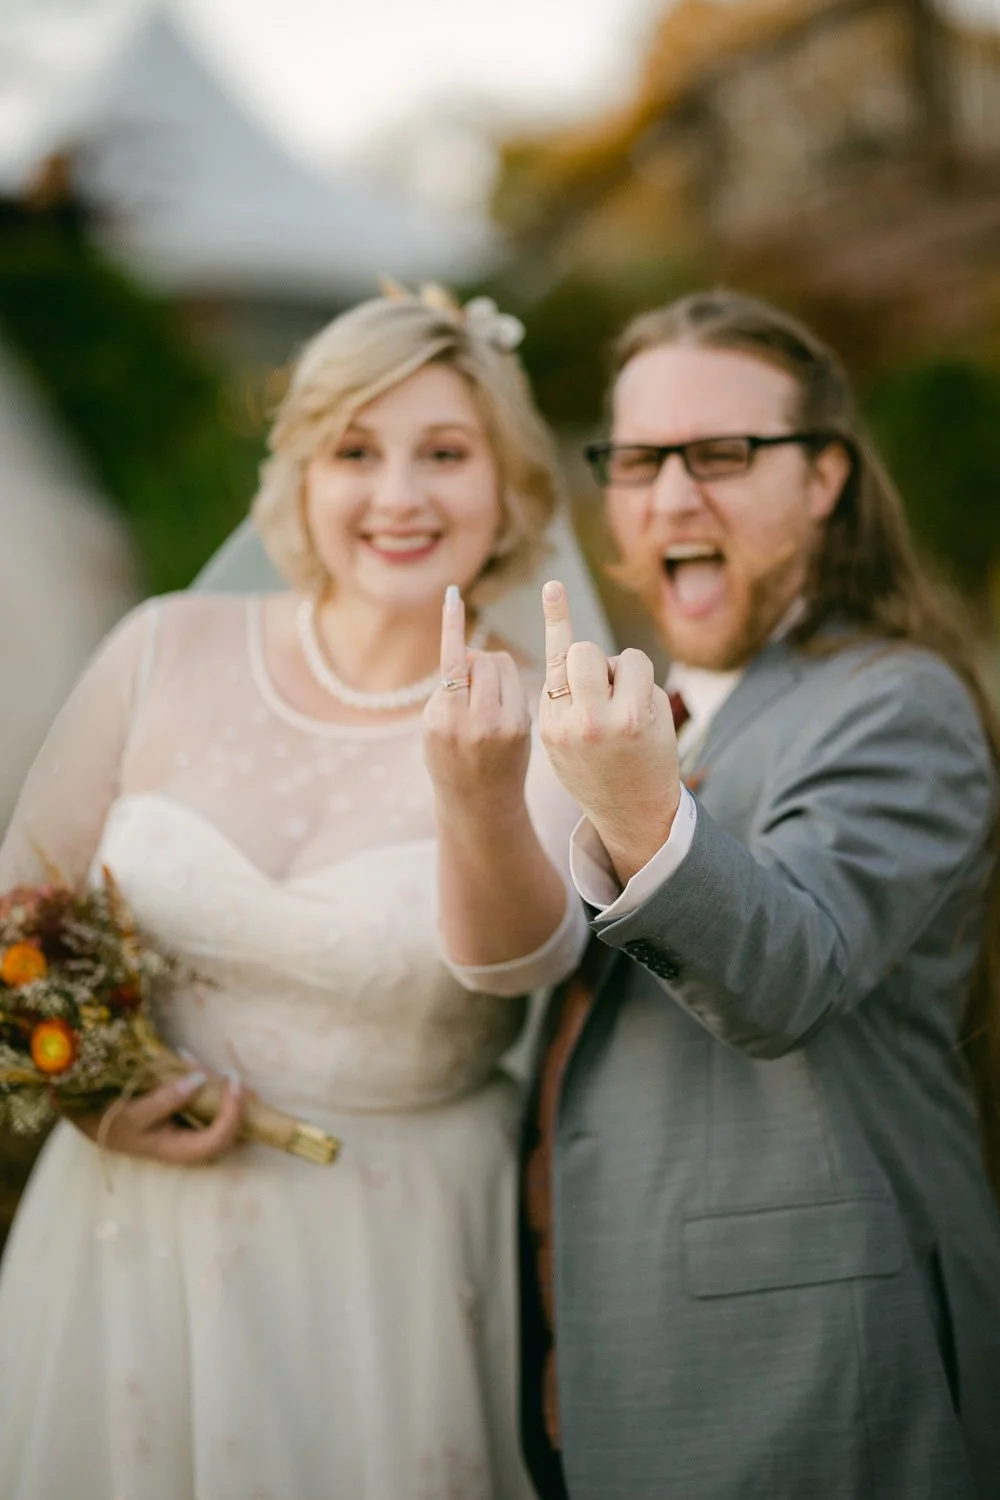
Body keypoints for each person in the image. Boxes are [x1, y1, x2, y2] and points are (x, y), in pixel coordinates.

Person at [0, 286, 589, 1499]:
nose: (398, 495)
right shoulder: (160, 647)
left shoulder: (552, 714)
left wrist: (478, 798)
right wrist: (88, 1091)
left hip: (387, 1253)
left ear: (510, 484)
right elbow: (18, 912)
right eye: (354, 451)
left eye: (445, 453)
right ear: (302, 476)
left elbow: (521, 969)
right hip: (122, 1229)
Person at [522, 289, 1000, 1500]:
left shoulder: (898, 703)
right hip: (614, 1366)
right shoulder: (649, 709)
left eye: (723, 453)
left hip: (813, 1384)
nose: (672, 496)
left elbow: (792, 972)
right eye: (639, 460)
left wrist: (639, 808)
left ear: (824, 477)